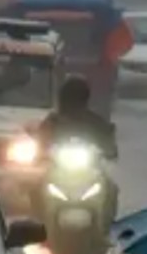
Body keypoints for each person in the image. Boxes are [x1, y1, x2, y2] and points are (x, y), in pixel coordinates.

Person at [35, 75, 120, 217]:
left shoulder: (96, 122)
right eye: (70, 98)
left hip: (89, 173)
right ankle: (39, 224)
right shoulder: (52, 122)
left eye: (77, 98)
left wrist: (109, 150)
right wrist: (42, 152)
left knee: (111, 189)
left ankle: (106, 228)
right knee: (36, 187)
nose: (73, 103)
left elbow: (109, 146)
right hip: (57, 173)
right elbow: (41, 141)